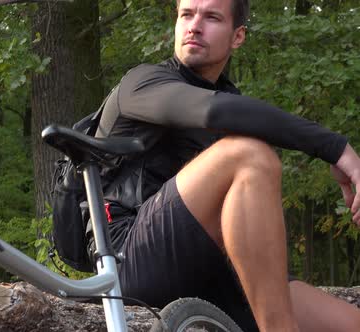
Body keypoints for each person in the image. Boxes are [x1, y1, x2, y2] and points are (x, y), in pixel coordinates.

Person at [95, 0, 360, 331]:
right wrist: (338, 150)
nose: (194, 25)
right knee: (251, 155)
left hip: (209, 267)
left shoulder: (231, 102)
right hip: (125, 258)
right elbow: (215, 112)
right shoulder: (143, 83)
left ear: (238, 36)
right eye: (186, 15)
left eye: (212, 17)